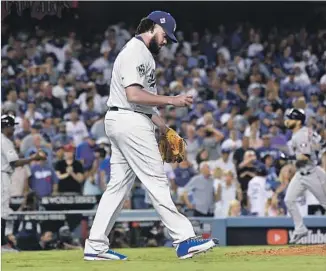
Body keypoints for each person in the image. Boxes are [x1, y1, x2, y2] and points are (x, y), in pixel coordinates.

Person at [84, 11, 218, 261]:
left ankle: (95, 245)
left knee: (117, 187)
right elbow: (134, 95)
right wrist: (173, 100)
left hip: (126, 118)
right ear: (153, 28)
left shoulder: (143, 54)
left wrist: (164, 128)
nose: (167, 41)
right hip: (129, 119)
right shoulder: (136, 51)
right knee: (156, 178)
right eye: (165, 35)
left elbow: (145, 104)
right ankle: (184, 239)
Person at [1, 115, 46, 247]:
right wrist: (34, 158)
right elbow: (14, 162)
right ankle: (2, 244)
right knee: (2, 211)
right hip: (2, 175)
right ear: (6, 126)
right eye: (11, 126)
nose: (14, 128)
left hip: (3, 174)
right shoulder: (4, 141)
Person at [283, 108, 326, 243]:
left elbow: (305, 157)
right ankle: (300, 229)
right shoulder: (303, 131)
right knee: (289, 200)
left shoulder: (300, 135)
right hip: (300, 174)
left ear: (298, 121)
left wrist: (288, 157)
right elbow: (321, 142)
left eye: (290, 118)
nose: (287, 121)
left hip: (313, 173)